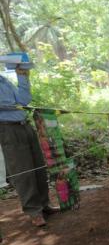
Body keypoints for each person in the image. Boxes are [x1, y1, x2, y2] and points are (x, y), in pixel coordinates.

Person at [0, 64, 57, 227]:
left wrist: (22, 77)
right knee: (23, 172)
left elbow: (24, 100)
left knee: (38, 167)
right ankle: (34, 211)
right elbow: (7, 103)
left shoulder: (4, 80)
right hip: (7, 129)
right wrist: (14, 103)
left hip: (25, 126)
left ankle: (44, 205)